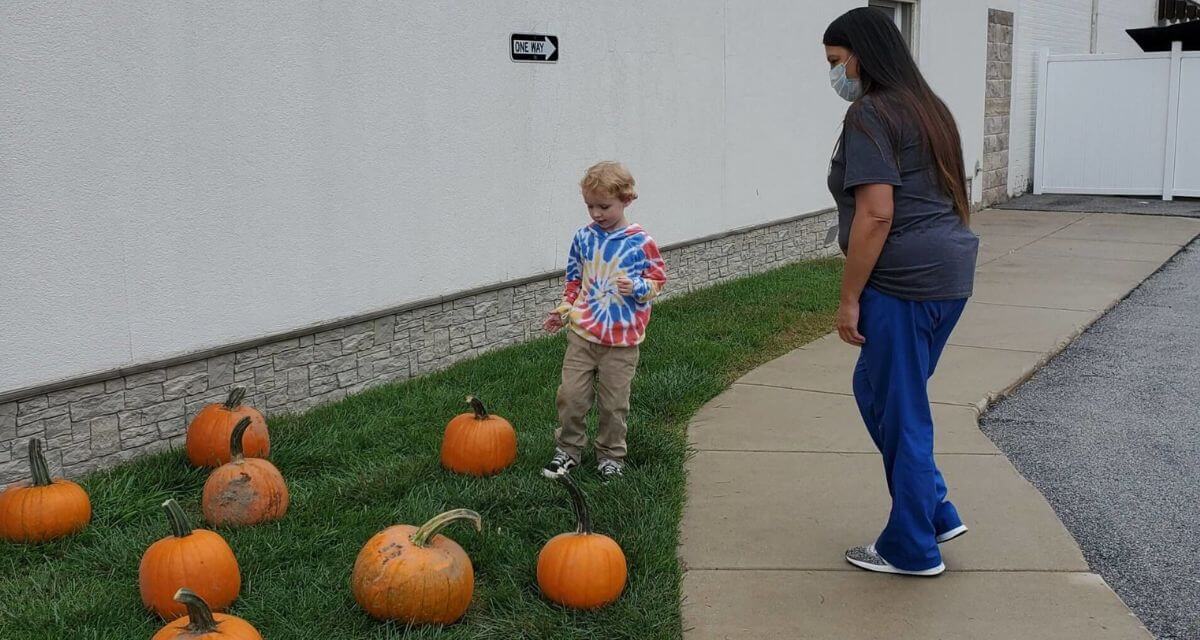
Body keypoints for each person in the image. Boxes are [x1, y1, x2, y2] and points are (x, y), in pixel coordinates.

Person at [824, 8, 980, 576]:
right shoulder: (928, 109)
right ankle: (934, 506)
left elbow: (875, 214)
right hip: (948, 277)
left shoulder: (870, 114)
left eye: (837, 63)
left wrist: (849, 299)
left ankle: (911, 547)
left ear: (861, 56)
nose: (836, 75)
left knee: (902, 408)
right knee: (879, 390)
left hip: (903, 285)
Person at [541, 161, 667, 481]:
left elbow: (657, 282)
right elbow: (574, 280)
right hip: (583, 334)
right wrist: (565, 309)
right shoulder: (584, 238)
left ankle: (611, 455)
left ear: (626, 199)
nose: (596, 213)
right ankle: (568, 450)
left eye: (604, 206)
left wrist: (637, 287)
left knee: (613, 405)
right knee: (570, 395)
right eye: (590, 206)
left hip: (621, 342)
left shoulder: (641, 242)